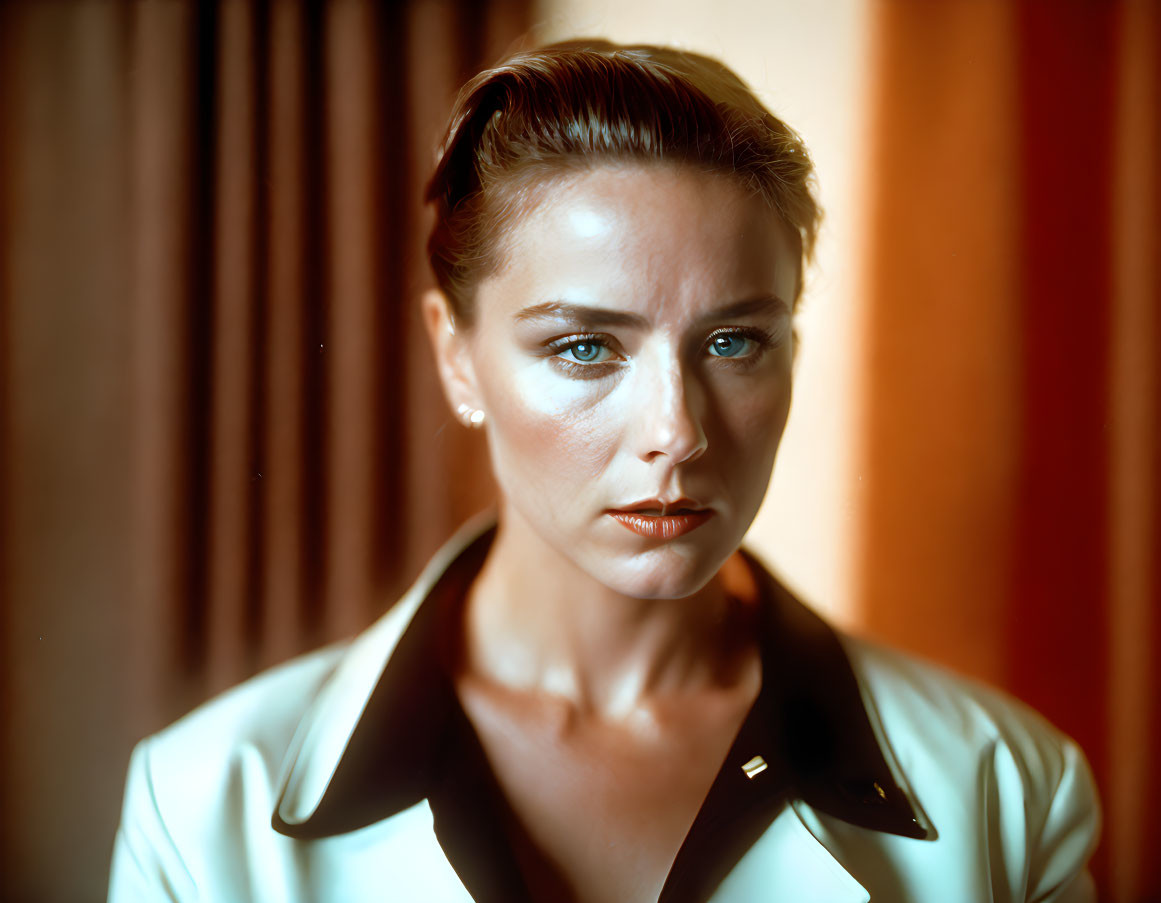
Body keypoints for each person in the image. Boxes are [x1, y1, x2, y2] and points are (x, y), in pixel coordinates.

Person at [108, 40, 1100, 903]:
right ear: (456, 356)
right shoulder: (205, 809)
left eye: (733, 344)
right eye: (585, 347)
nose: (677, 433)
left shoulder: (1004, 794)